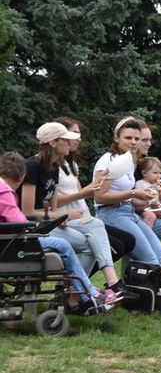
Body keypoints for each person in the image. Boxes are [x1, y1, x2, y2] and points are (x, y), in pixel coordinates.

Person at [20, 122, 129, 301]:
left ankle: (92, 287)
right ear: (53, 143)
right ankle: (75, 293)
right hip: (32, 226)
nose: (71, 143)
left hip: (48, 221)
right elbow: (27, 211)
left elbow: (50, 206)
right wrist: (59, 216)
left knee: (95, 224)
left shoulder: (54, 167)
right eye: (66, 140)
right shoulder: (32, 166)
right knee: (89, 245)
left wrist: (58, 217)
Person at [0, 152, 116, 314]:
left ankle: (84, 292)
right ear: (21, 177)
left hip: (7, 242)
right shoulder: (4, 193)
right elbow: (17, 222)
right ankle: (90, 294)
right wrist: (33, 226)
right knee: (61, 244)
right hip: (9, 245)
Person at [92, 117, 161, 303]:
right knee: (150, 257)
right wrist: (133, 193)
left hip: (128, 212)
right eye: (128, 138)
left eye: (137, 139)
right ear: (116, 138)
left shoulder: (128, 161)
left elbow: (128, 195)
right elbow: (99, 197)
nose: (133, 142)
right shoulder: (108, 161)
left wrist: (145, 198)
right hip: (111, 214)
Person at [52, 117, 137, 272]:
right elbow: (57, 201)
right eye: (75, 134)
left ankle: (78, 283)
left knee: (128, 240)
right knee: (116, 245)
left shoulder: (71, 165)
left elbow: (82, 194)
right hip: (66, 218)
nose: (79, 139)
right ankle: (76, 284)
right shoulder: (51, 167)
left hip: (81, 216)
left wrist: (99, 181)